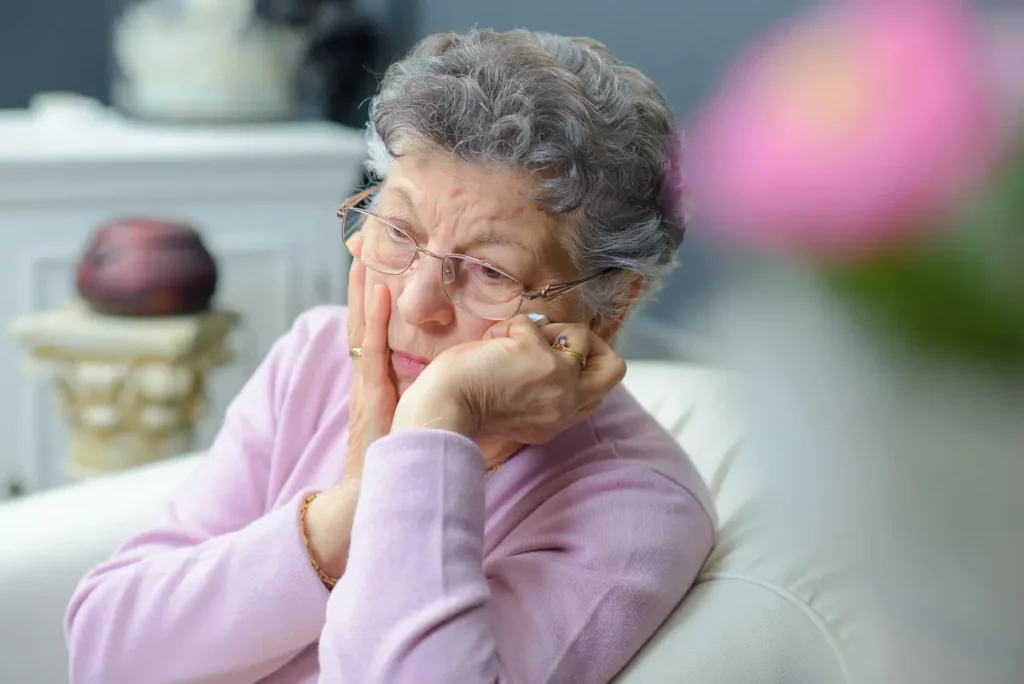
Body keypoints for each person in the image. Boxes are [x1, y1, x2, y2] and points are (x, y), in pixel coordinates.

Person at [64, 29, 715, 684]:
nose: (415, 304)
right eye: (398, 232)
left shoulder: (639, 510)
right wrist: (346, 511)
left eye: (489, 271)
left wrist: (437, 424)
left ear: (611, 306)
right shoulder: (317, 357)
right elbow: (106, 651)